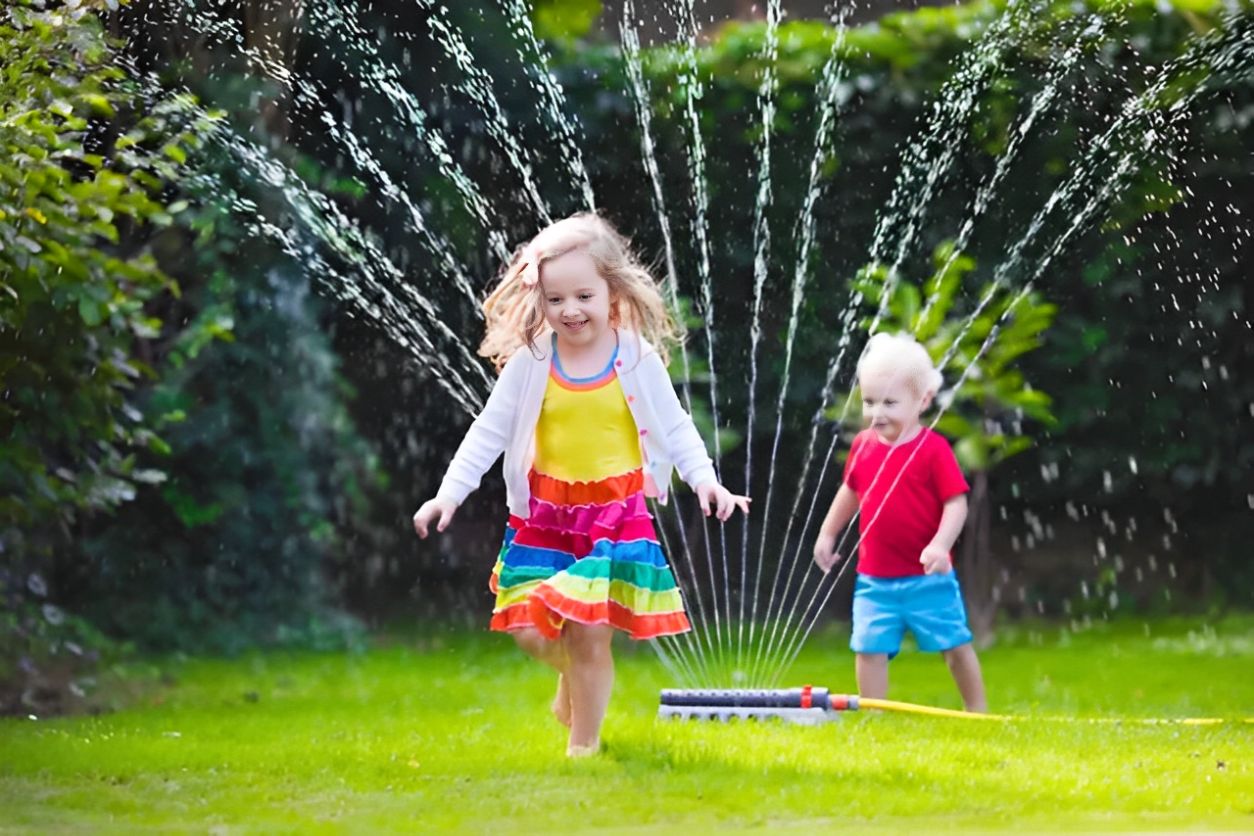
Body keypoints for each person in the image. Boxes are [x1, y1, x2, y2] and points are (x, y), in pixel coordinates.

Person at [413, 213, 750, 755]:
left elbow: (676, 425)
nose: (569, 310)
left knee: (591, 631)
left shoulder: (634, 357)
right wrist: (447, 495)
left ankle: (584, 746)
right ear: (539, 300)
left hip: (614, 517)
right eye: (555, 299)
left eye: (583, 295)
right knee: (528, 629)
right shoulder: (532, 361)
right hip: (544, 517)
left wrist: (707, 482)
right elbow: (489, 431)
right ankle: (572, 677)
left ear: (612, 293)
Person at [812, 332, 987, 712]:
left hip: (928, 577)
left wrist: (940, 545)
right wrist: (828, 533)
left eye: (890, 403)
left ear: (922, 400)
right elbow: (851, 492)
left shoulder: (933, 450)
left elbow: (956, 503)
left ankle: (977, 711)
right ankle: (876, 714)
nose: (878, 413)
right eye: (870, 401)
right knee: (868, 649)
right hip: (875, 578)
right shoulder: (863, 445)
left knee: (955, 646)